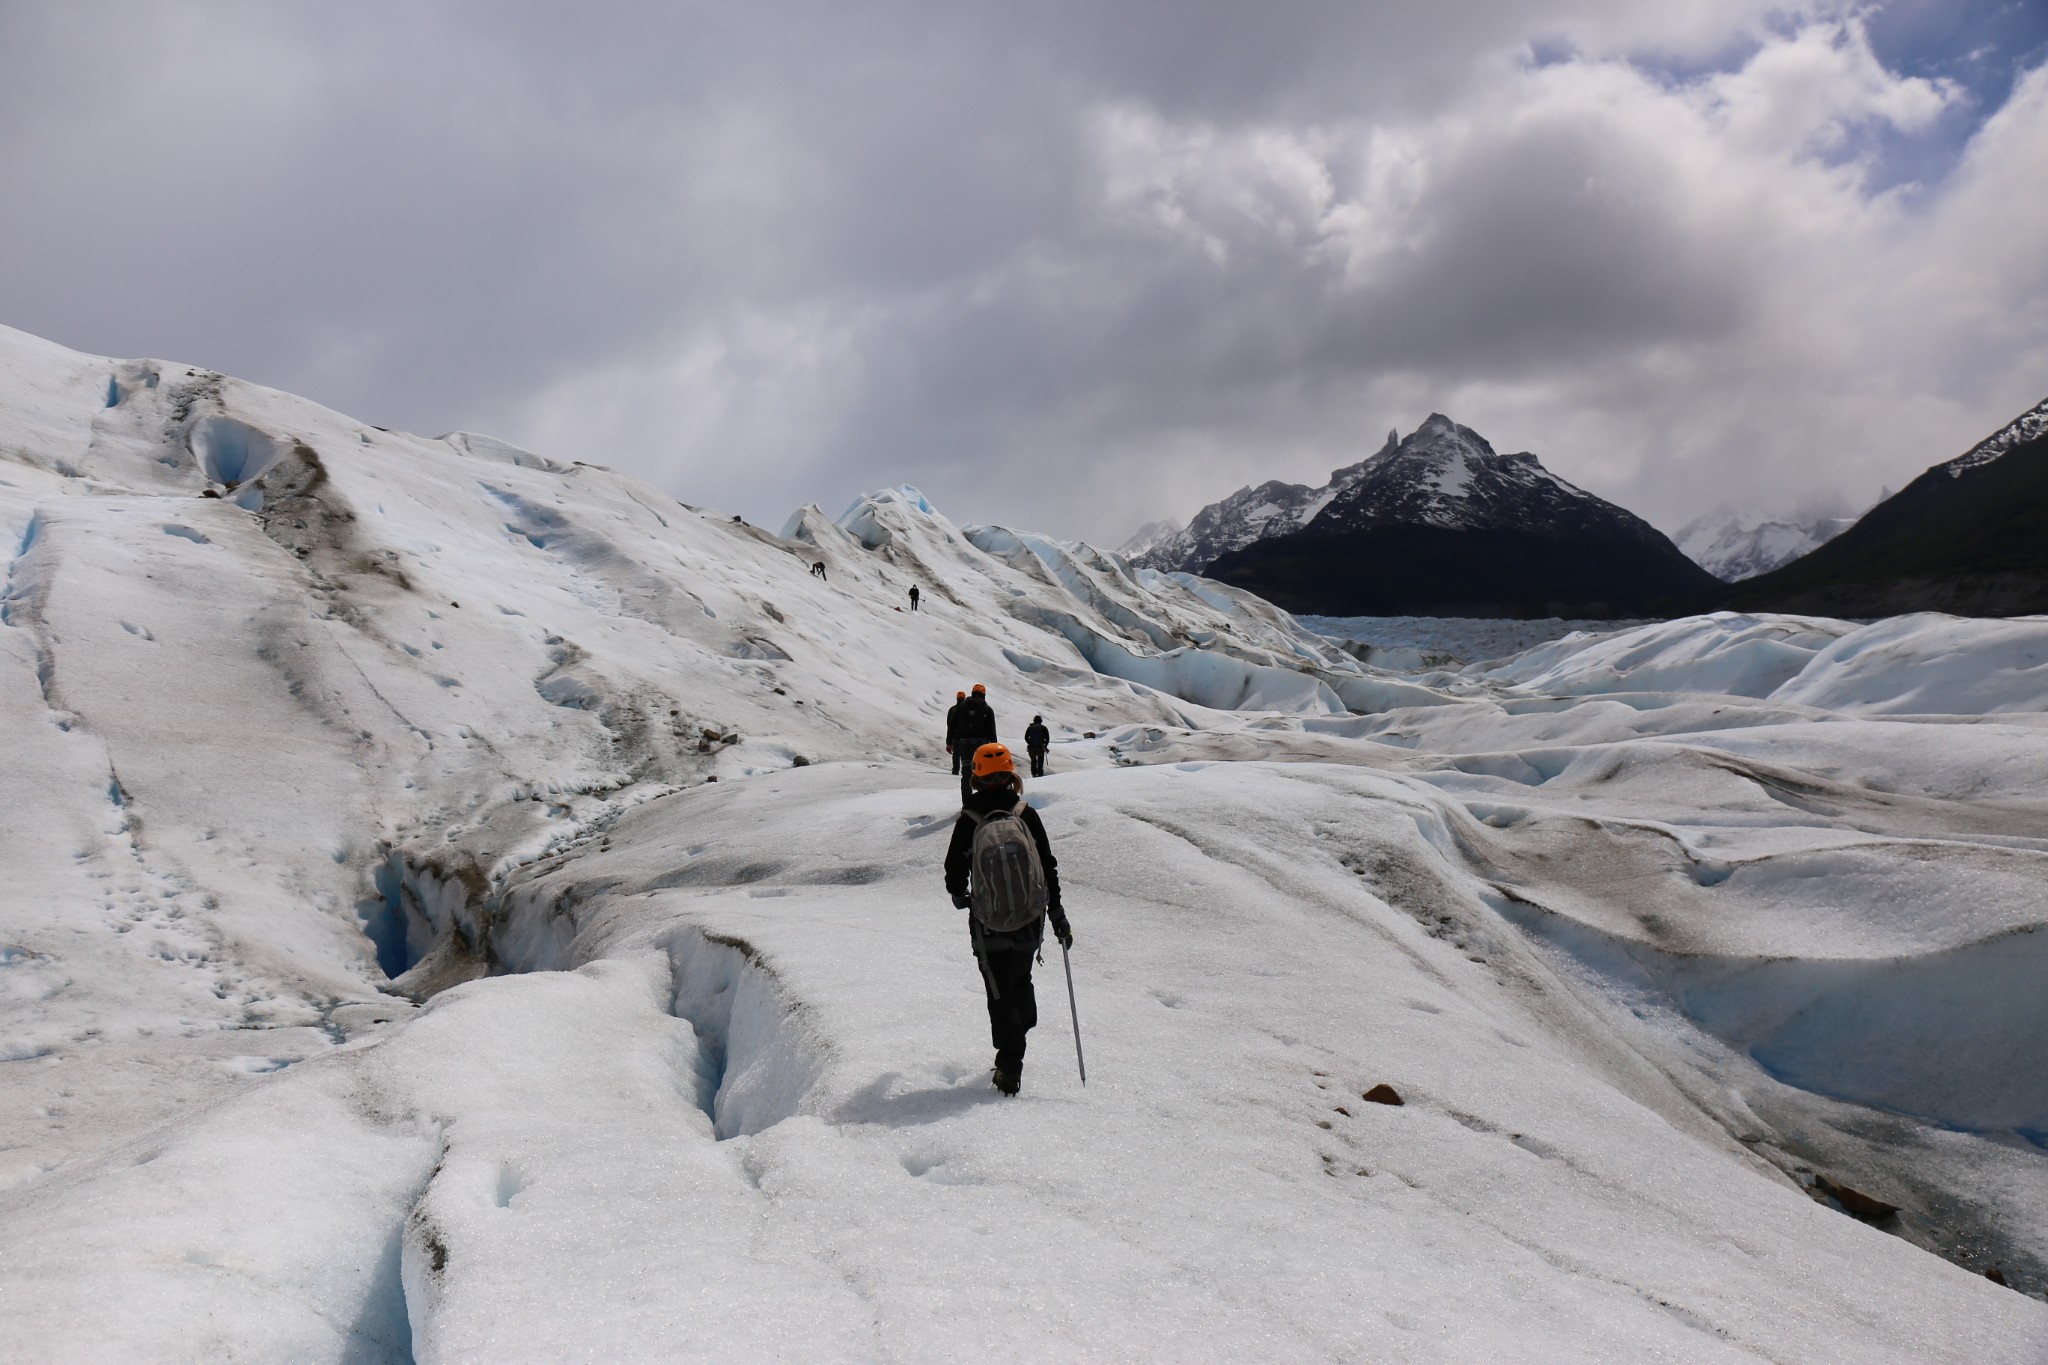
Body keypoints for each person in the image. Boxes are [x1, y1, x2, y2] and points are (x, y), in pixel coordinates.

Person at [944, 743, 1072, 1096]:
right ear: (1010, 773)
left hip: (988, 922)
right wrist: (1057, 912)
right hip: (1030, 919)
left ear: (976, 778)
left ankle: (1009, 1065)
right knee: (1020, 979)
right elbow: (1047, 866)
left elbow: (953, 872)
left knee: (998, 991)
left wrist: (959, 894)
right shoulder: (1024, 813)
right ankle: (1022, 1026)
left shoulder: (968, 820)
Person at [952, 684, 997, 805]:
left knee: (966, 774)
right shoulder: (987, 709)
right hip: (981, 746)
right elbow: (991, 729)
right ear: (984, 694)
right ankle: (983, 804)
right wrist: (994, 746)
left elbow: (953, 725)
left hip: (965, 745)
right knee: (983, 773)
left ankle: (967, 805)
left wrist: (949, 742)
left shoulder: (961, 707)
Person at [944, 690, 966, 774]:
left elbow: (949, 725)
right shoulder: (966, 709)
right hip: (965, 736)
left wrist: (949, 741)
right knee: (965, 754)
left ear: (957, 698)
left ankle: (955, 770)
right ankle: (966, 770)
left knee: (956, 754)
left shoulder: (952, 709)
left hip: (955, 736)